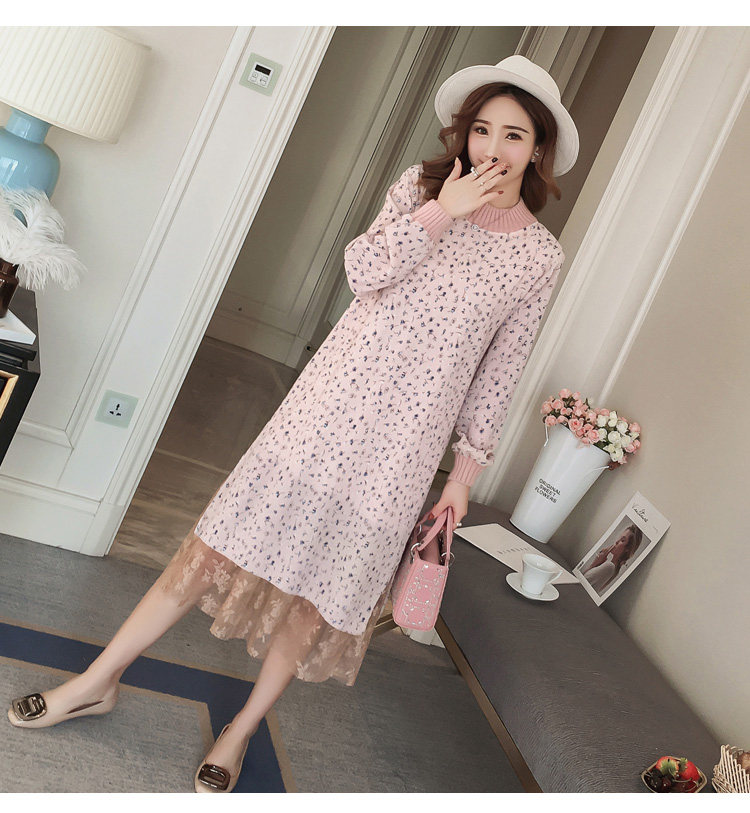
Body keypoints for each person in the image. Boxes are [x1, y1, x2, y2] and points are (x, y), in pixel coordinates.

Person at [7, 54, 579, 792]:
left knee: (322, 591)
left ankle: (243, 728)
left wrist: (462, 478)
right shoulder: (420, 188)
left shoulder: (538, 257)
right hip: (325, 410)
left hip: (402, 453)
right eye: (482, 130)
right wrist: (443, 213)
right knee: (215, 547)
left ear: (538, 150)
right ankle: (96, 679)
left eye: (513, 135)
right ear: (463, 133)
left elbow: (499, 374)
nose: (492, 149)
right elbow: (363, 273)